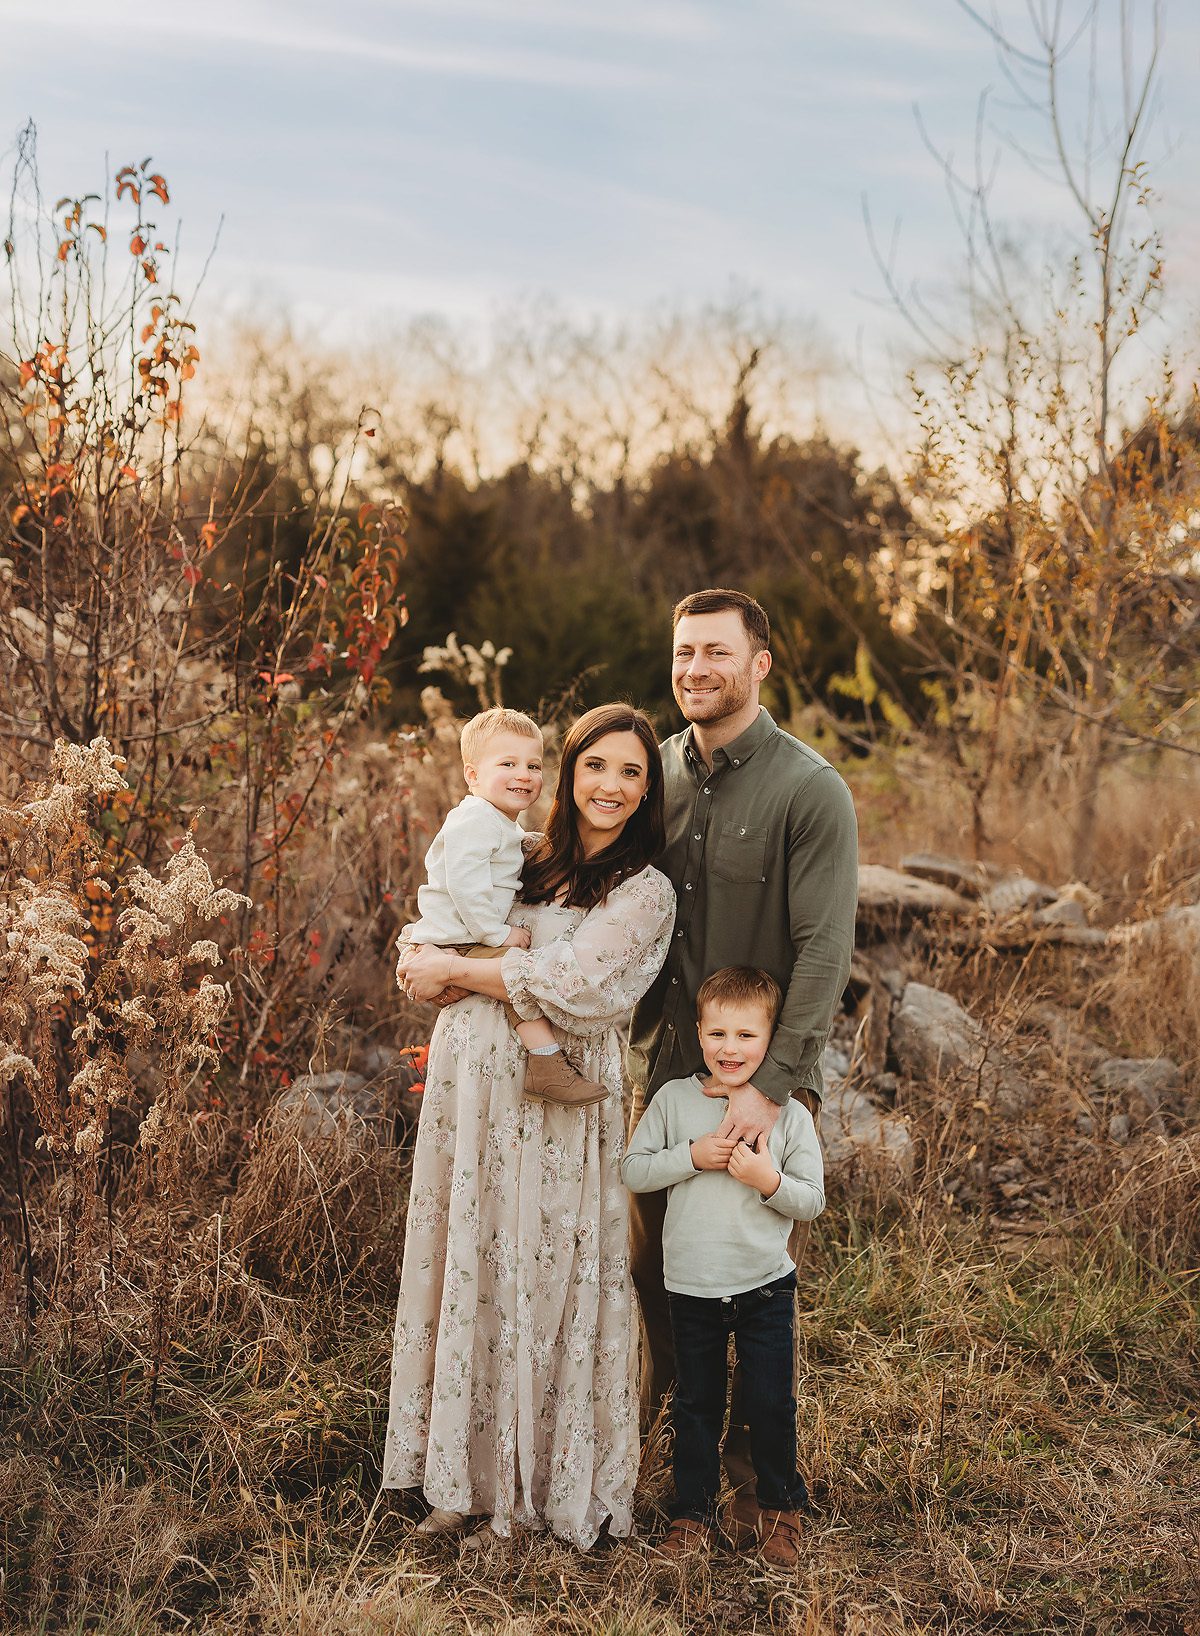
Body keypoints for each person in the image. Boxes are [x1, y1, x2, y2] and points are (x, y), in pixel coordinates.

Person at [384, 704, 676, 1550]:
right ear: (567, 774)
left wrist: (455, 968)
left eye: (631, 772)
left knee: (542, 1278)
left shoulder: (643, 891)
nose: (610, 786)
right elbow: (441, 917)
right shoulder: (525, 856)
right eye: (595, 767)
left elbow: (576, 984)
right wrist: (422, 959)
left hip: (556, 1107)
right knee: (473, 1270)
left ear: (648, 787)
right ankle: (459, 1483)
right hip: (471, 1097)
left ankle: (526, 1500)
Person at [626, 587, 858, 1531]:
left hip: (755, 1085)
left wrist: (768, 1091)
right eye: (684, 652)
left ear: (760, 663)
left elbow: (825, 952)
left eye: (716, 652)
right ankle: (677, 1455)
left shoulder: (810, 790)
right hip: (660, 1077)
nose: (695, 670)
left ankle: (758, 1471)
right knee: (661, 1275)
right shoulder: (657, 772)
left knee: (752, 1276)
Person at [622, 966, 825, 1567]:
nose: (730, 1049)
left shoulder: (788, 1115)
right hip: (692, 1286)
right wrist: (689, 1156)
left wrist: (768, 1181)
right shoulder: (673, 1100)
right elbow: (633, 1170)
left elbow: (811, 1199)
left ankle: (780, 1508)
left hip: (765, 1286)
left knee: (768, 1404)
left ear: (771, 1040)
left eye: (746, 1036)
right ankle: (693, 1514)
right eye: (717, 1035)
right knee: (697, 1406)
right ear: (697, 1033)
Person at [397, 705, 605, 1107]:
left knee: (513, 973)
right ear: (472, 775)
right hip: (460, 938)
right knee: (516, 972)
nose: (524, 775)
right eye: (508, 763)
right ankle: (547, 1064)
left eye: (533, 765)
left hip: (458, 938)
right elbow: (465, 886)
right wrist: (497, 934)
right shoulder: (474, 820)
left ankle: (545, 1065)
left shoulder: (499, 823)